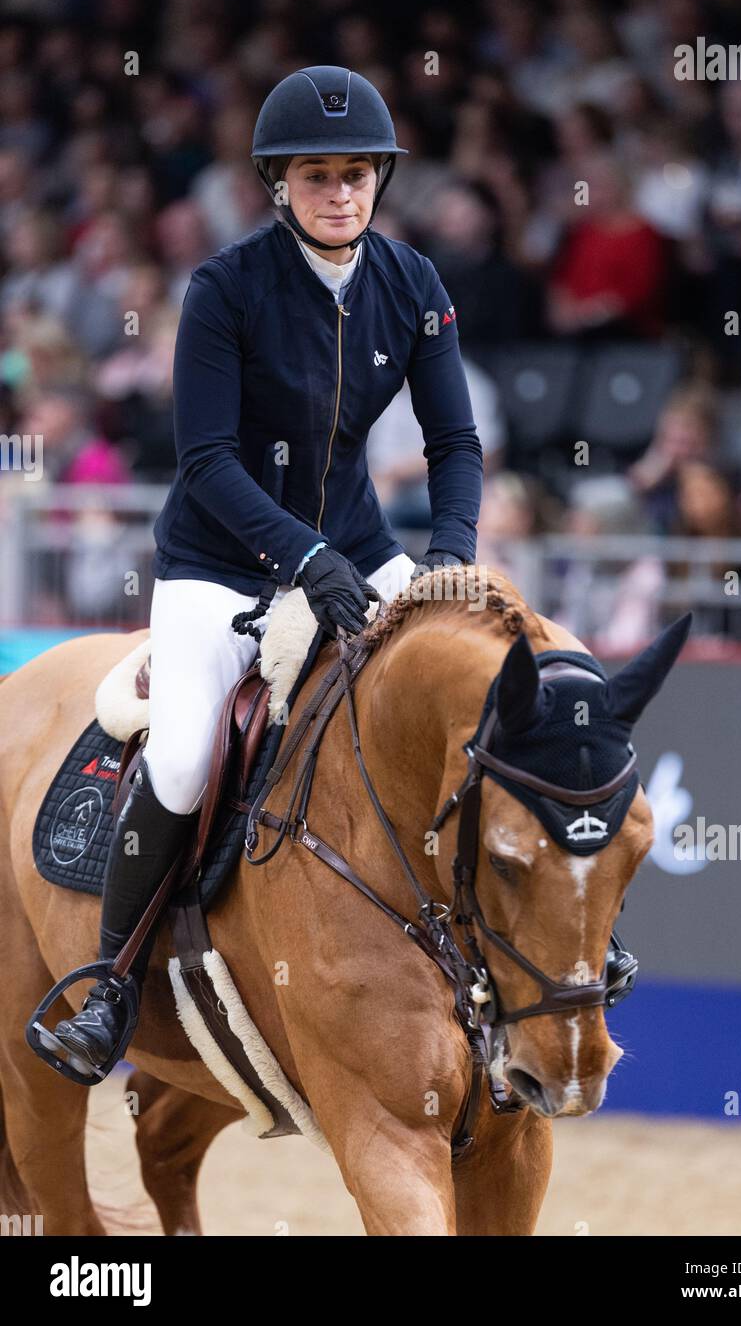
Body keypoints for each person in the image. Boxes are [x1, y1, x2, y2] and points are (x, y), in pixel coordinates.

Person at [42, 65, 484, 1077]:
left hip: (356, 546)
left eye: (359, 174)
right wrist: (303, 556)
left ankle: (487, 966)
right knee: (190, 753)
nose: (342, 193)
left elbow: (453, 440)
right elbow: (206, 461)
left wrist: (449, 553)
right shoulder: (224, 288)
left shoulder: (413, 285)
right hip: (218, 559)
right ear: (278, 186)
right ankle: (110, 984)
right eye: (319, 175)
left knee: (438, 707)